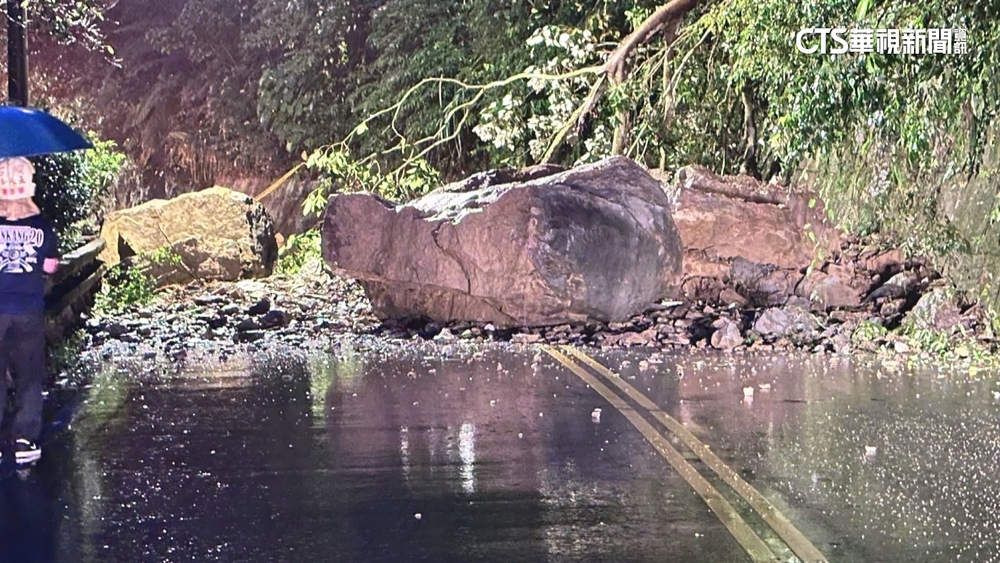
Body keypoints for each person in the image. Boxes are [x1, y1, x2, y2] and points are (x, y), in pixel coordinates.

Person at [0, 157, 59, 466]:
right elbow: (51, 265)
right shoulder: (40, 224)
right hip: (29, 309)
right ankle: (25, 439)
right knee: (29, 375)